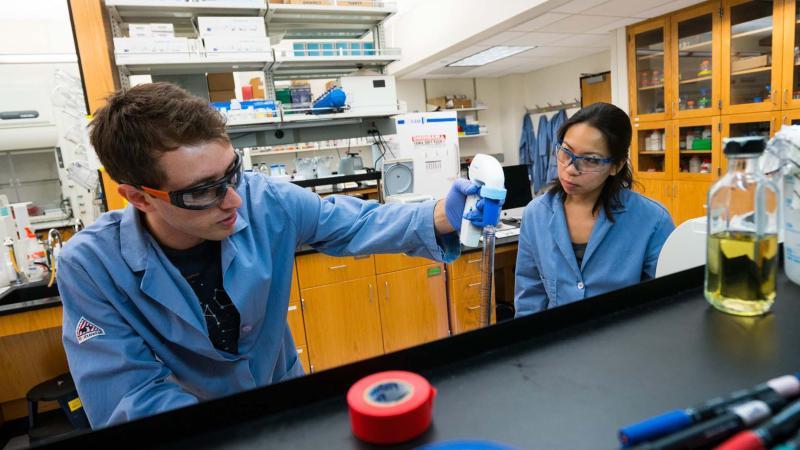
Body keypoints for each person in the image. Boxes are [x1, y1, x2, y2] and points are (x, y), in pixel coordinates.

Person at [57, 82, 482, 428]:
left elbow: (356, 223)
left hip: (287, 406)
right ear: (138, 197)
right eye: (203, 190)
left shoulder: (265, 199)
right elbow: (131, 393)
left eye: (231, 173)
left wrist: (442, 213)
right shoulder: (91, 266)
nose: (233, 202)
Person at [514, 102, 674, 317]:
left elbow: (665, 304)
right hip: (557, 343)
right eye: (566, 152)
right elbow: (530, 297)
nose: (570, 169)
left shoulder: (653, 221)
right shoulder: (536, 214)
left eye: (590, 160)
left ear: (616, 166)